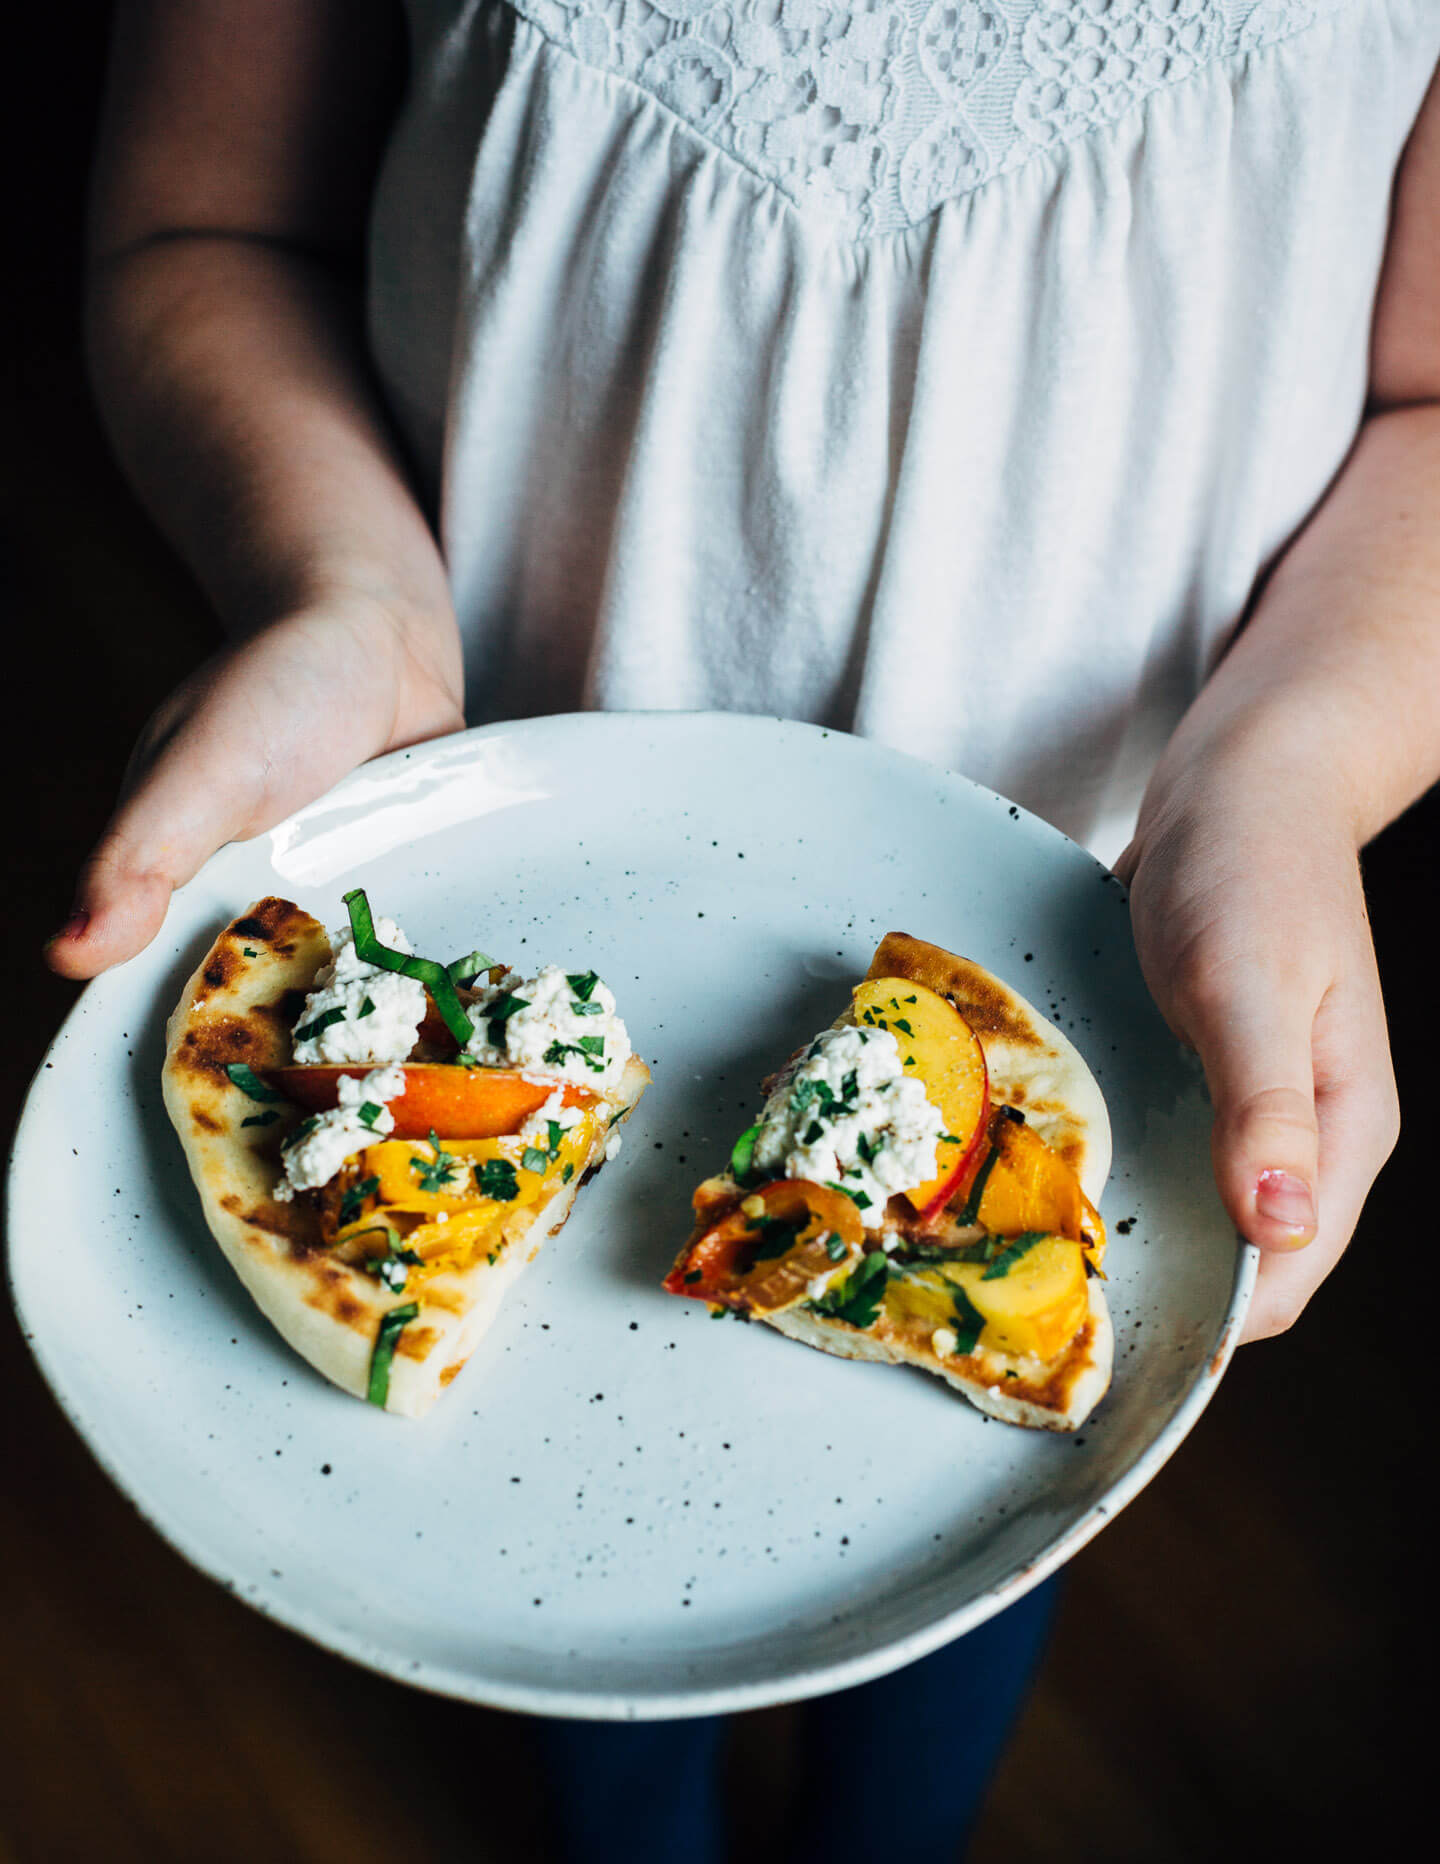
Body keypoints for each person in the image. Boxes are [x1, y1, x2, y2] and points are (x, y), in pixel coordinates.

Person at [46, 3, 1439, 1857]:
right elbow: (202, 230)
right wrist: (342, 588)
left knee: (971, 1551)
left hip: (1113, 923)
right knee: (558, 1616)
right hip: (468, 777)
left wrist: (1288, 775)